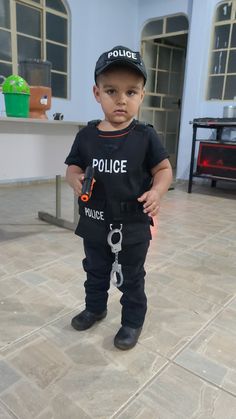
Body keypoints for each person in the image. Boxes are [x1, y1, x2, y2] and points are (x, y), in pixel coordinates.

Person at [65, 45, 173, 350]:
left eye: (131, 92)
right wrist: (74, 179)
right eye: (112, 91)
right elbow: (72, 168)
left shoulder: (145, 136)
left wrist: (157, 190)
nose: (121, 99)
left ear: (141, 95)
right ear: (97, 93)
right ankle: (95, 307)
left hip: (133, 225)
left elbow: (164, 169)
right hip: (95, 222)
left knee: (131, 276)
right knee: (94, 269)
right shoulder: (86, 136)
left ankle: (132, 321)